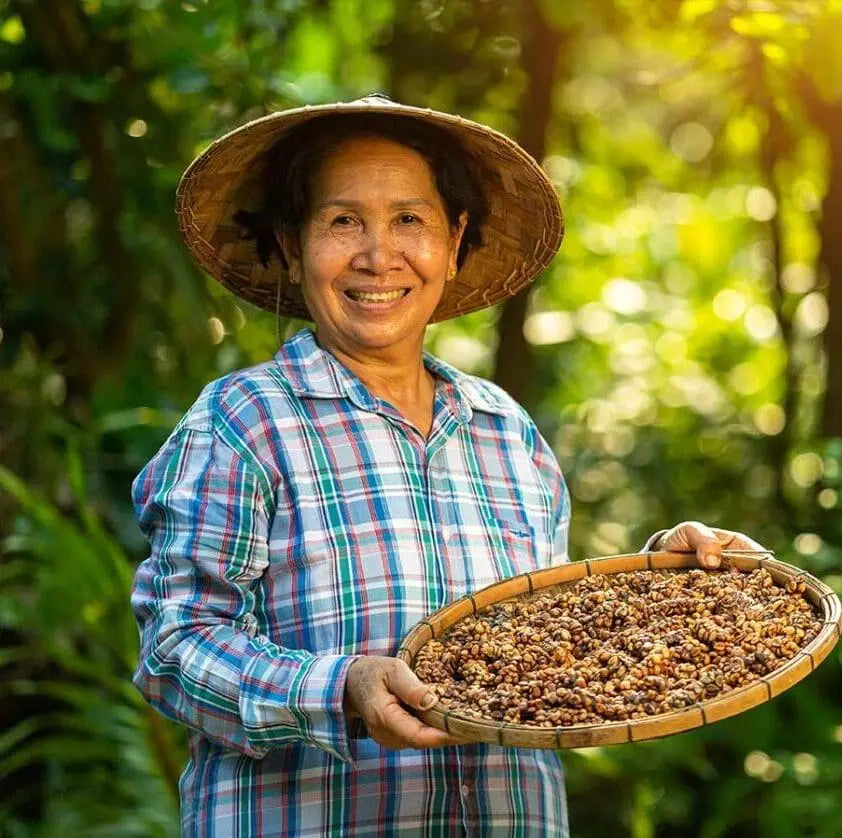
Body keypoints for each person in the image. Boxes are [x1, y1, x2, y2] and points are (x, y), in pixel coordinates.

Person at [130, 95, 765, 837]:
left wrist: (670, 583)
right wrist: (341, 688)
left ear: (454, 242)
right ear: (292, 247)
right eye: (343, 221)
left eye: (410, 219)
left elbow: (552, 631)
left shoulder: (504, 429)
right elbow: (175, 647)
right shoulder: (244, 422)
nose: (378, 256)